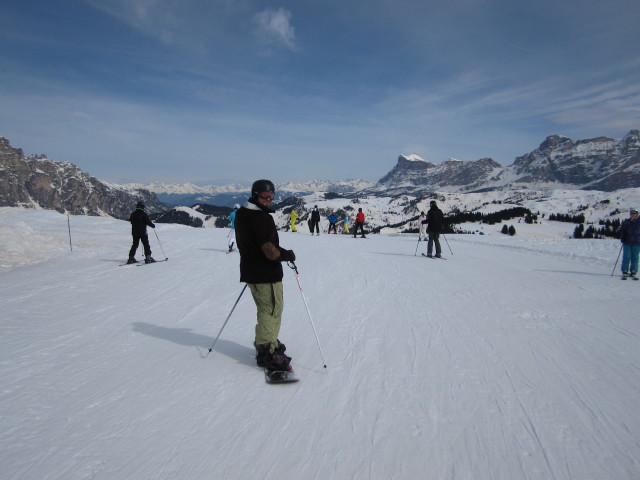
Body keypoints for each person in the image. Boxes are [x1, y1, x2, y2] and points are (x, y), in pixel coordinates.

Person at [234, 179, 296, 371]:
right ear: (255, 195)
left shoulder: (242, 213)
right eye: (265, 196)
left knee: (266, 309)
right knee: (271, 310)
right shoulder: (260, 218)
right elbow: (270, 251)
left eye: (271, 196)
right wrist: (287, 254)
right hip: (265, 273)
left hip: (251, 271)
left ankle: (266, 341)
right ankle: (268, 351)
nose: (269, 200)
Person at [620, 207, 640, 279]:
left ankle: (634, 271)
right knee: (627, 256)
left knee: (635, 257)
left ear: (637, 214)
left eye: (634, 213)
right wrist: (622, 237)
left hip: (637, 242)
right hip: (627, 242)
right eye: (631, 213)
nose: (632, 214)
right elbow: (622, 231)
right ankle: (625, 270)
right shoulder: (626, 222)